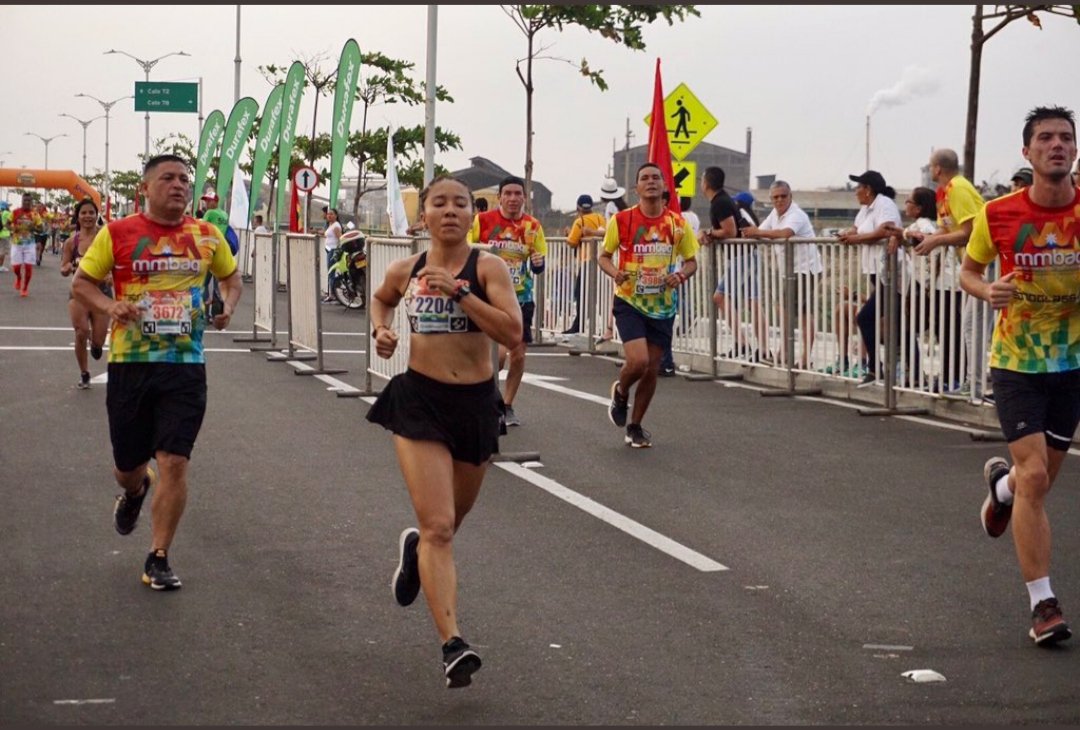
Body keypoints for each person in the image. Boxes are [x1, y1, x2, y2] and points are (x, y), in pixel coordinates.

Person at [366, 174, 521, 688]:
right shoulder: (405, 268)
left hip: (475, 405)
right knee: (438, 527)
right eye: (439, 203)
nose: (450, 211)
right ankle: (452, 643)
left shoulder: (489, 267)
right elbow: (381, 298)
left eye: (460, 203)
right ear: (424, 216)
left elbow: (513, 334)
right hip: (420, 401)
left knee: (450, 523)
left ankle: (416, 555)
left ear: (472, 216)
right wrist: (382, 331)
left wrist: (460, 293)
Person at [72, 153, 242, 592]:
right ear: (144, 189)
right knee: (129, 466)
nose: (179, 185)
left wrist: (227, 306)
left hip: (185, 366)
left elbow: (231, 279)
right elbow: (82, 284)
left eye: (184, 179)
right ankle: (133, 490)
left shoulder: (207, 235)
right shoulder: (118, 233)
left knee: (175, 461)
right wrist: (112, 306)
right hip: (131, 364)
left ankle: (159, 556)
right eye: (167, 178)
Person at [961, 105, 1078, 646]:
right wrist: (988, 291)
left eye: (1066, 138)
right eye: (1046, 138)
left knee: (1037, 483)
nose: (1057, 145)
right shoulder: (999, 213)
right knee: (1036, 478)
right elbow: (969, 270)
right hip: (1016, 361)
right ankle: (1043, 606)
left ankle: (1000, 490)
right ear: (1027, 152)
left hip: (1072, 363)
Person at [599, 163, 699, 448]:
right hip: (630, 299)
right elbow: (604, 256)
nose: (651, 182)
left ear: (665, 186)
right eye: (645, 178)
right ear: (636, 188)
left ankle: (635, 426)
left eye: (656, 177)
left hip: (663, 305)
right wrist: (614, 272)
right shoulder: (622, 220)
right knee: (639, 361)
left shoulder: (677, 225)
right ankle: (620, 392)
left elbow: (692, 262)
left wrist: (680, 274)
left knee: (652, 368)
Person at [467, 175, 546, 428]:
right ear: (499, 197)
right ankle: (485, 397)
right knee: (498, 357)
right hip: (488, 299)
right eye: (508, 194)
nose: (513, 198)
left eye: (517, 194)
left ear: (524, 197)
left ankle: (507, 406)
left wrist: (538, 263)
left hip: (521, 298)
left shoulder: (533, 226)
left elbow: (539, 264)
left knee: (519, 354)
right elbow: (467, 252)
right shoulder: (483, 221)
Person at [910, 149, 988, 400]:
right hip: (973, 266)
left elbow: (968, 231)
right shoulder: (946, 192)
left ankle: (974, 385)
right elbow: (943, 230)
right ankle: (972, 384)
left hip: (985, 265)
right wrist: (924, 238)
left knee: (972, 325)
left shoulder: (959, 188)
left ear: (937, 169)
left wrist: (936, 242)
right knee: (969, 325)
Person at [741, 181, 822, 370]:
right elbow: (764, 231)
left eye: (783, 196)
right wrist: (751, 232)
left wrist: (758, 232)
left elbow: (784, 233)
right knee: (797, 311)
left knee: (789, 310)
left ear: (790, 196)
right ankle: (793, 354)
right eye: (775, 197)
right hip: (790, 269)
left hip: (804, 268)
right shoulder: (775, 214)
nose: (779, 200)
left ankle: (790, 353)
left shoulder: (796, 214)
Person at [838, 170, 903, 386]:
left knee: (866, 318)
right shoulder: (865, 209)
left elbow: (886, 231)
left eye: (859, 187)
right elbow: (857, 228)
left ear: (868, 189)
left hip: (893, 272)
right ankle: (884, 368)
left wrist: (855, 238)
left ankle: (876, 368)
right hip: (877, 272)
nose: (856, 191)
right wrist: (848, 233)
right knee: (896, 323)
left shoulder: (884, 204)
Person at [702, 169, 767, 362]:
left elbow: (730, 231)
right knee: (753, 302)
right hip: (744, 256)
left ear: (706, 183)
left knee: (720, 297)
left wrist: (711, 233)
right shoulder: (723, 200)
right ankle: (761, 349)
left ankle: (743, 344)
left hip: (742, 256)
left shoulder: (720, 203)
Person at [60, 198, 110, 389]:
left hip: (102, 292)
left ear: (96, 215)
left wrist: (111, 275)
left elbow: (116, 262)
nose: (88, 216)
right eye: (84, 213)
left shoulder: (105, 236)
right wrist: (67, 268)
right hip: (79, 292)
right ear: (78, 216)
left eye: (91, 212)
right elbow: (64, 266)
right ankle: (84, 373)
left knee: (98, 340)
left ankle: (96, 345)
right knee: (81, 331)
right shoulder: (71, 242)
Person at [563, 193, 606, 335]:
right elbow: (607, 233)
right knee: (600, 295)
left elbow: (572, 242)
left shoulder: (579, 221)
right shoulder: (600, 218)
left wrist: (568, 234)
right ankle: (603, 326)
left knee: (580, 293)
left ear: (578, 207)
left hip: (587, 261)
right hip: (602, 261)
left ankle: (579, 324)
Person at [598, 179, 629, 343]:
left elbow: (611, 229)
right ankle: (611, 328)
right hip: (624, 251)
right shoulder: (624, 207)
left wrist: (595, 232)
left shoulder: (610, 207)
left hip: (615, 253)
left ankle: (610, 329)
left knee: (616, 292)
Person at [10, 193, 43, 297]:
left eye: (29, 201)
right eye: (25, 200)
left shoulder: (35, 214)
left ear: (31, 202)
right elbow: (7, 223)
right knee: (16, 267)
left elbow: (41, 228)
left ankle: (25, 288)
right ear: (22, 201)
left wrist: (33, 228)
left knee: (28, 267)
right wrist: (12, 228)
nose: (27, 203)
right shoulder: (15, 212)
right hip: (17, 243)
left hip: (29, 244)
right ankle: (19, 278)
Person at [322, 207, 342, 302]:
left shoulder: (336, 226)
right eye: (328, 214)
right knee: (331, 272)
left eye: (331, 214)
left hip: (333, 251)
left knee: (331, 272)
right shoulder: (331, 225)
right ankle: (333, 293)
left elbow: (340, 238)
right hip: (329, 250)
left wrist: (338, 250)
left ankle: (332, 294)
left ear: (336, 216)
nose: (329, 215)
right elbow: (327, 235)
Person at [0, 201, 11, 273]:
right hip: (5, 233)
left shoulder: (0, 213)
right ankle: (1, 266)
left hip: (0, 233)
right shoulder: (7, 213)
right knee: (2, 251)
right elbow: (12, 220)